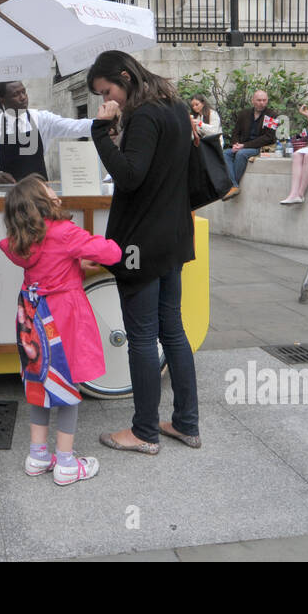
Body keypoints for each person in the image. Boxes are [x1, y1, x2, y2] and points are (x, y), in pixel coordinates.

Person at [86, 50, 200, 455]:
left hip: (140, 244)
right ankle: (186, 424)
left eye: (109, 90)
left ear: (124, 75)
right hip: (172, 237)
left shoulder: (144, 115)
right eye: (102, 96)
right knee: (172, 331)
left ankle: (144, 431)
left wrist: (101, 132)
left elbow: (131, 177)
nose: (109, 100)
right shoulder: (174, 106)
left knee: (140, 337)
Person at [0, 175, 121, 485]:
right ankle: (66, 462)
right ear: (42, 203)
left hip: (32, 317)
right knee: (69, 387)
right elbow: (112, 254)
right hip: (64, 318)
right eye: (49, 189)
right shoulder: (65, 232)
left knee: (39, 385)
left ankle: (38, 456)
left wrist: (75, 266)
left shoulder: (21, 242)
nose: (55, 191)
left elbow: (47, 265)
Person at [0, 80, 93, 183]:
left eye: (23, 92)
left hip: (40, 192)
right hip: (10, 194)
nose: (23, 97)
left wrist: (104, 123)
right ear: (2, 100)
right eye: (16, 94)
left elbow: (75, 126)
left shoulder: (42, 119)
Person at [222, 90, 277, 200]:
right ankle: (234, 186)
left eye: (264, 100)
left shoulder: (271, 115)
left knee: (241, 154)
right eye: (259, 100)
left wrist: (244, 146)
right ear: (253, 101)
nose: (262, 103)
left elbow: (268, 137)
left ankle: (233, 185)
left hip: (259, 147)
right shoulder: (244, 114)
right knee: (225, 154)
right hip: (242, 145)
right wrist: (236, 144)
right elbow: (236, 132)